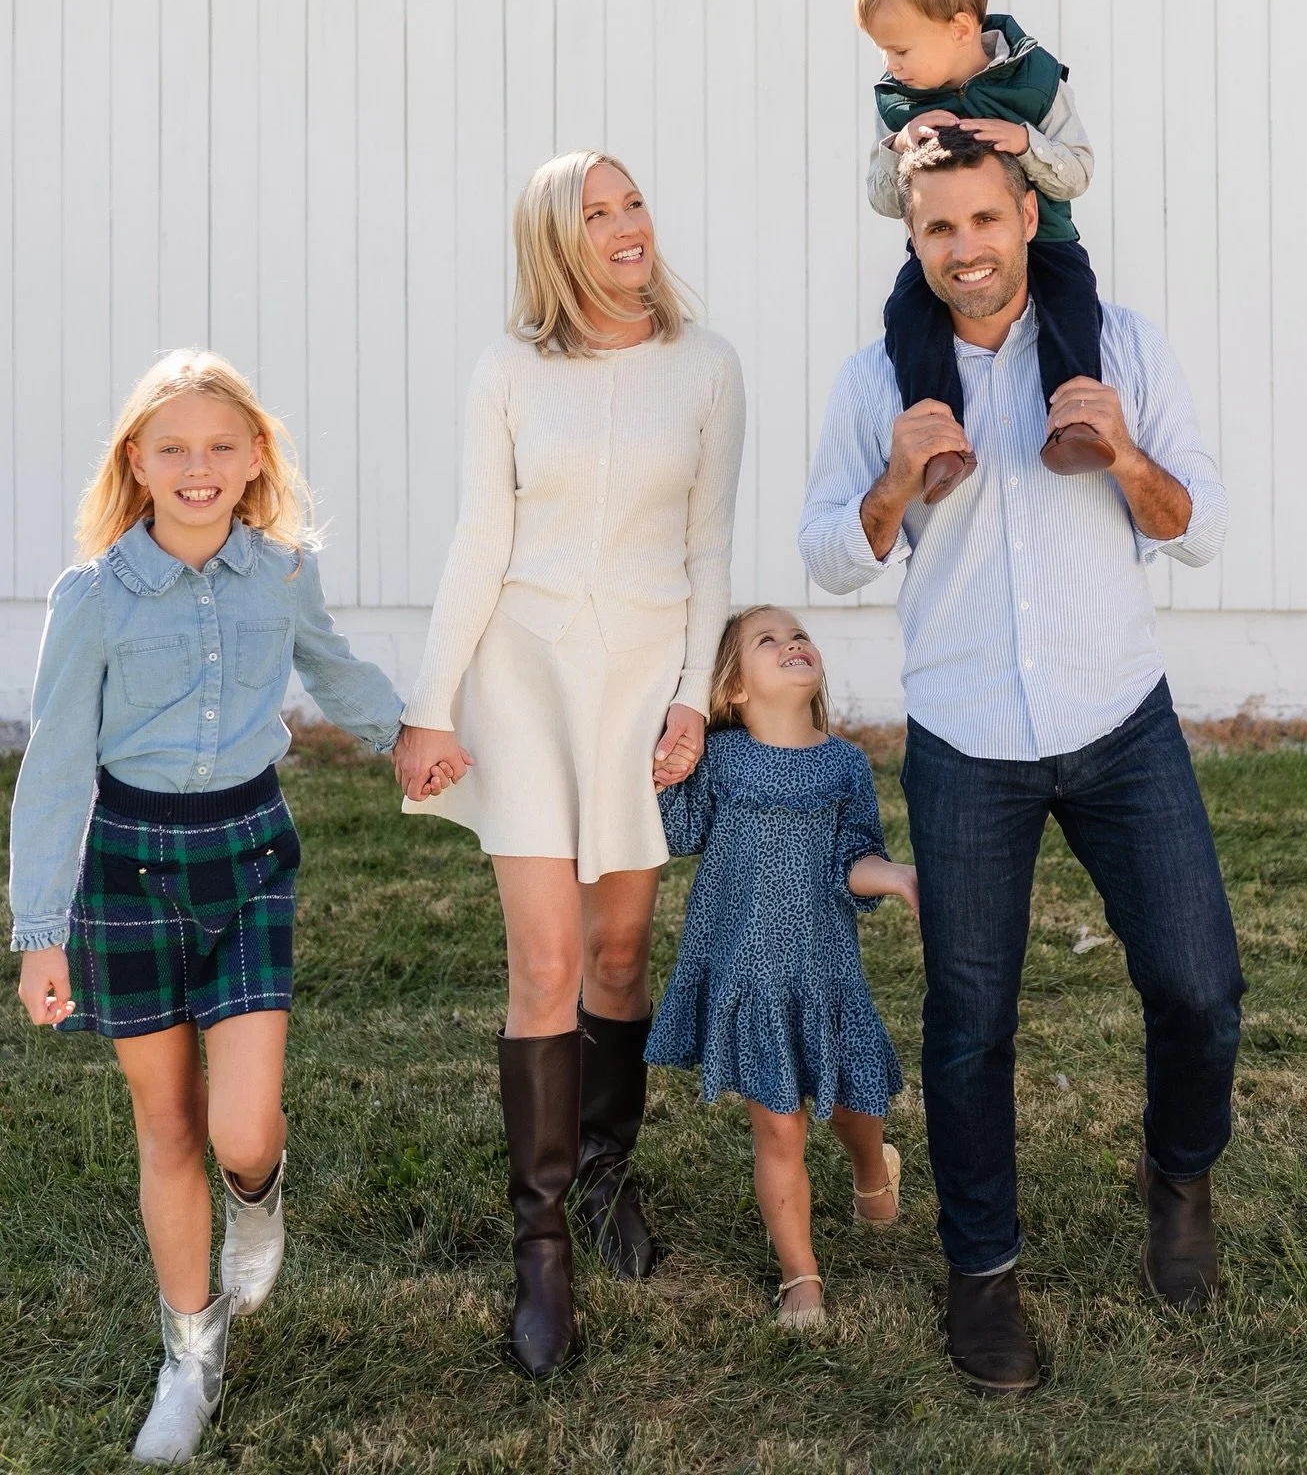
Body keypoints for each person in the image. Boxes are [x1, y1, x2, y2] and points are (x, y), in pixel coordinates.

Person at [799, 127, 1244, 1394]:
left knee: (1201, 986)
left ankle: (1179, 1176)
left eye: (985, 220)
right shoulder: (878, 381)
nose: (966, 250)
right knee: (969, 1027)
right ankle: (982, 1273)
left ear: (1027, 218)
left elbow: (1201, 527)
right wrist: (895, 483)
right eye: (939, 229)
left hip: (1120, 720)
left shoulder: (1120, 348)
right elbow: (827, 552)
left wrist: (1127, 454)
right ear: (912, 238)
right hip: (968, 738)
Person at [8, 350, 413, 1465]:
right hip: (127, 870)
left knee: (239, 1126)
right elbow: (55, 767)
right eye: (175, 447)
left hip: (247, 857)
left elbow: (333, 668)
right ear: (137, 463)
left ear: (255, 459)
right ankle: (190, 1356)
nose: (199, 466)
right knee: (169, 1124)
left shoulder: (280, 574)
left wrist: (407, 736)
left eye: (222, 446)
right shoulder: (93, 597)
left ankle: (259, 1197)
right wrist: (40, 933)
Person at [392, 150, 745, 1377]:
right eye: (596, 214)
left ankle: (603, 1174)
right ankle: (540, 1250)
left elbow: (710, 549)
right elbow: (477, 541)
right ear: (556, 239)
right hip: (523, 680)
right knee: (544, 963)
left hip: (643, 681)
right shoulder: (507, 369)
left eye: (632, 202)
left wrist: (693, 700)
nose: (626, 226)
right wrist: (431, 705)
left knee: (619, 956)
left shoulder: (708, 367)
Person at [646, 605, 918, 1328]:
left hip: (824, 971)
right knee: (779, 1129)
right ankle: (801, 1277)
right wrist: (663, 768)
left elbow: (851, 861)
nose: (793, 643)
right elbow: (679, 830)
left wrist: (897, 877)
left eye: (798, 634)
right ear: (733, 688)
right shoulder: (721, 758)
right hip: (748, 973)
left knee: (856, 1106)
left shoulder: (844, 764)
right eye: (767, 640)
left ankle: (872, 1169)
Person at [856, 0, 1109, 501]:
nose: (892, 66)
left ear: (961, 28)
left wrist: (1026, 142)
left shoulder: (1034, 80)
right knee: (908, 314)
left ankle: (1075, 423)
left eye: (900, 50)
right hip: (946, 254)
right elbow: (883, 199)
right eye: (884, 53)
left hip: (1047, 239)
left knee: (1073, 304)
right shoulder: (899, 105)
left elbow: (1079, 170)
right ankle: (939, 443)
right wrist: (899, 146)